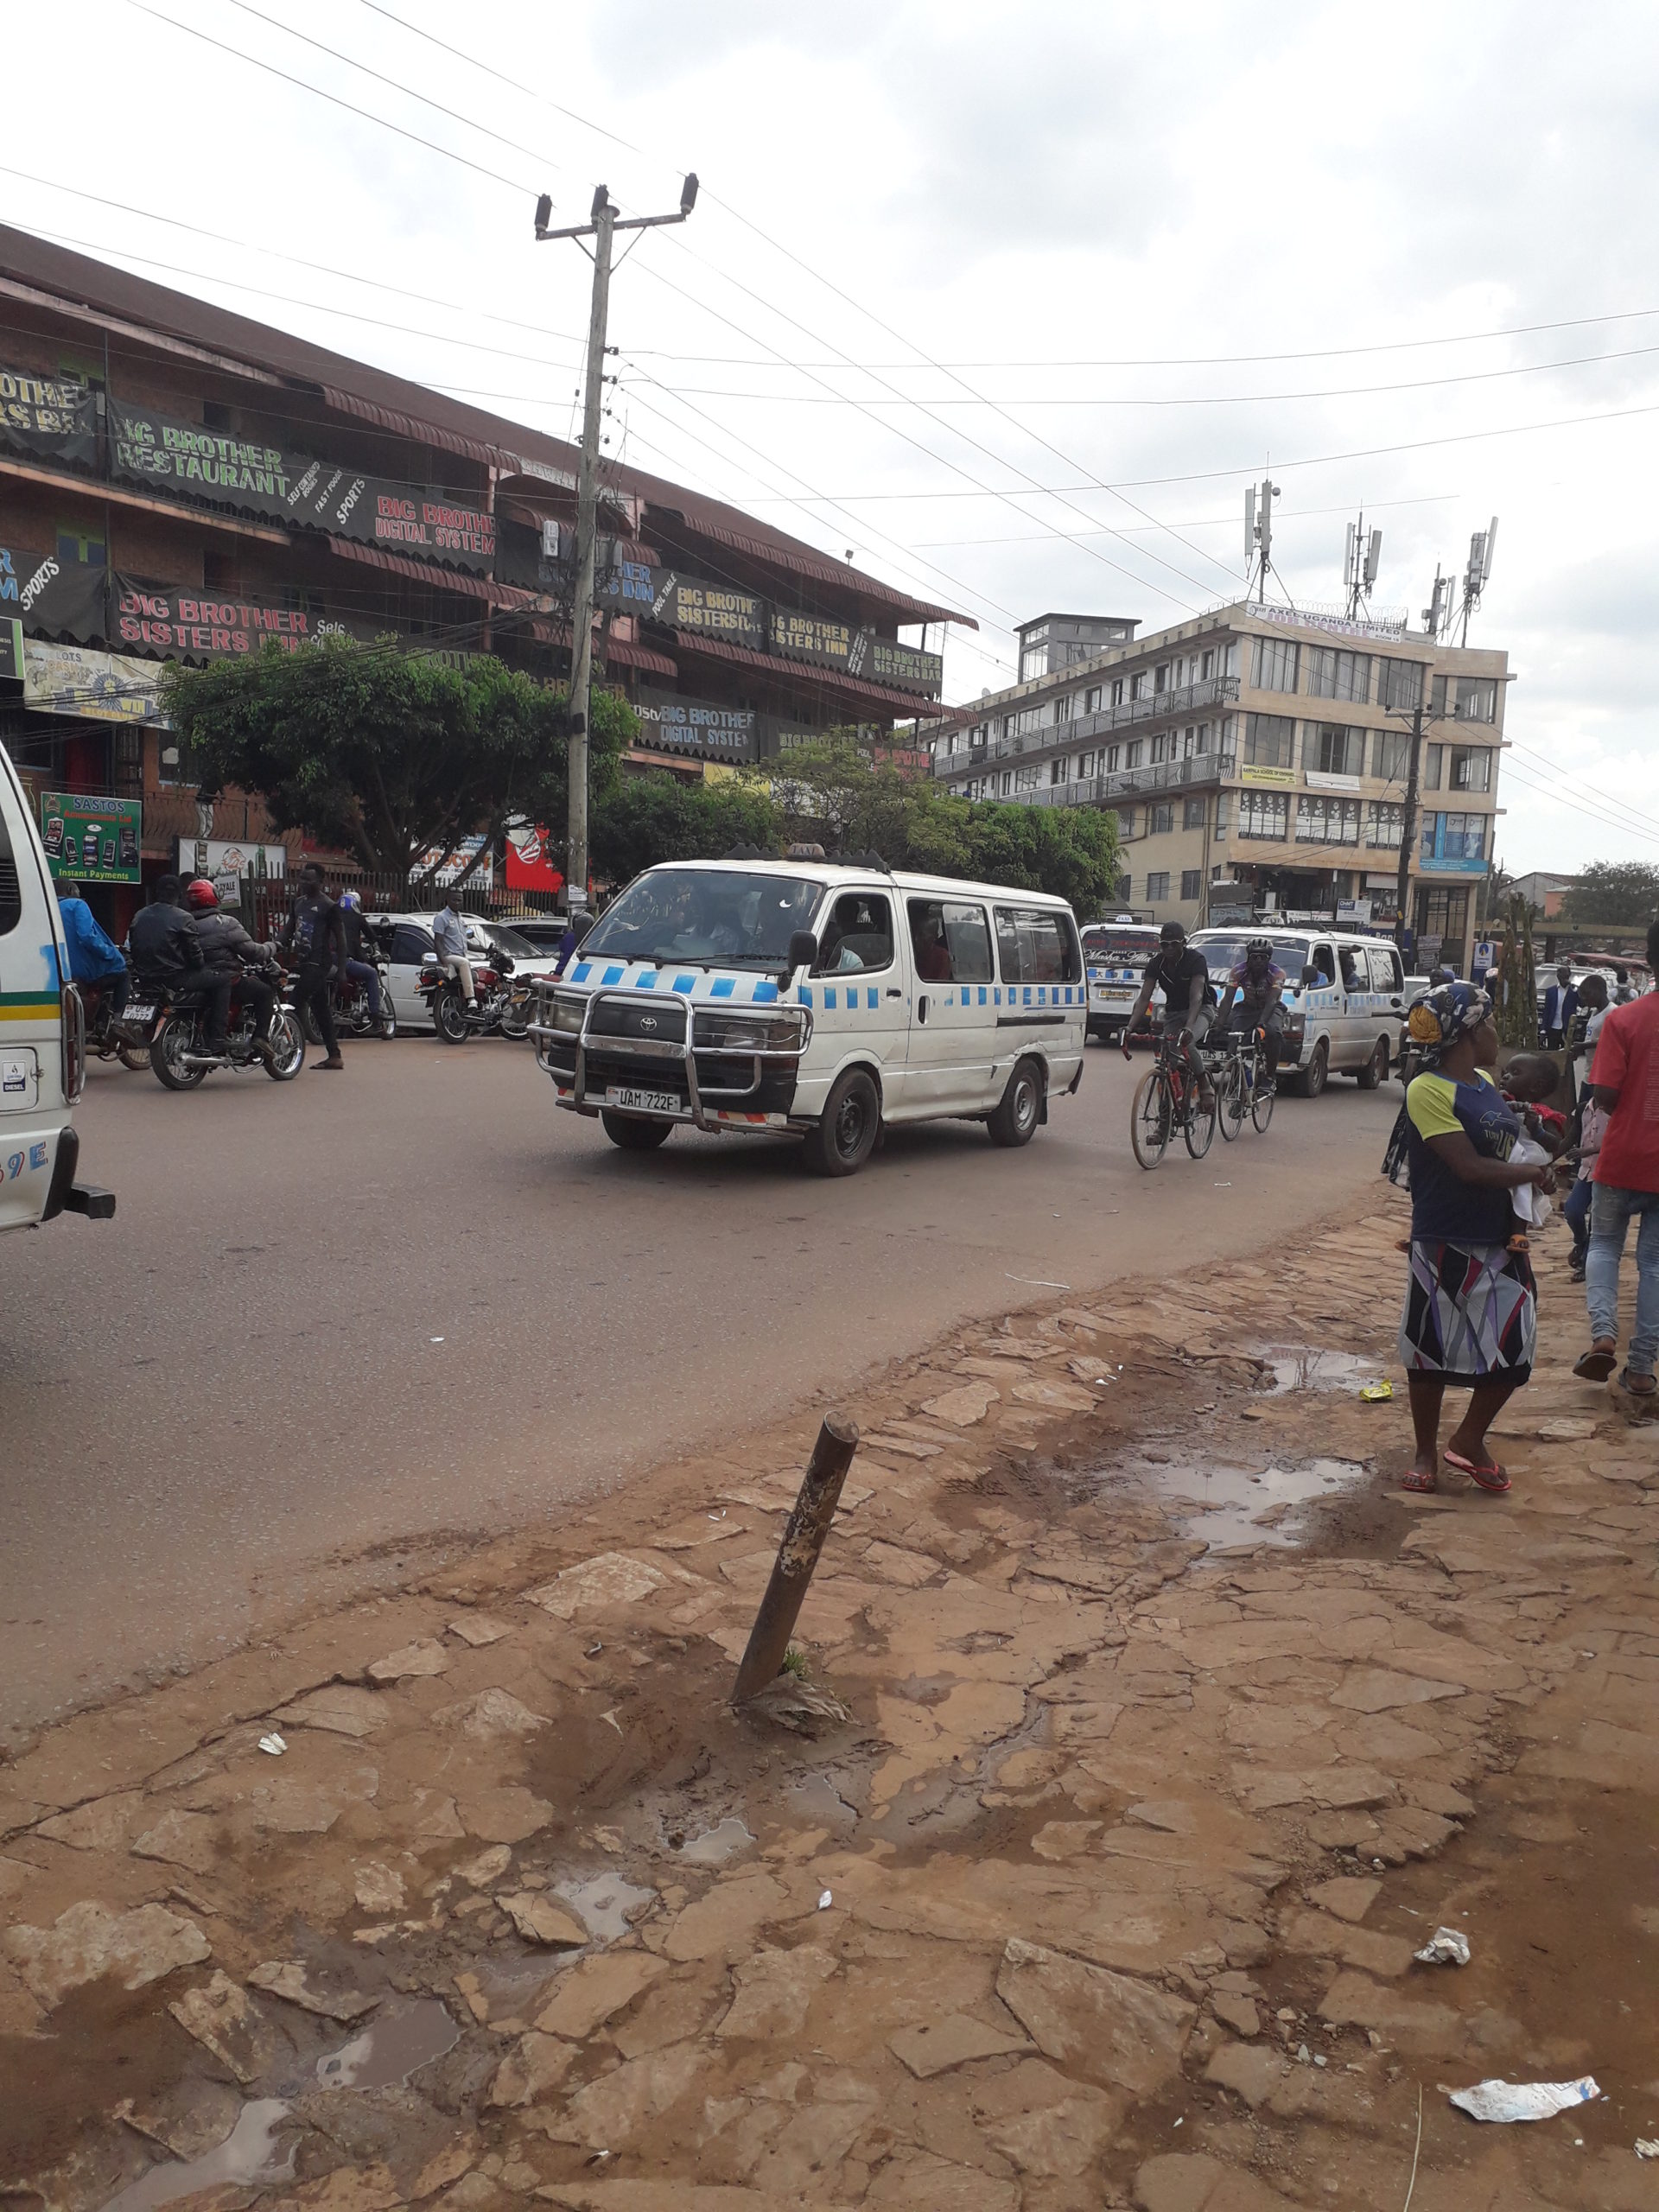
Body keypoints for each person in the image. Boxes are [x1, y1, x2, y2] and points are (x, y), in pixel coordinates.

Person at [1389, 982, 1554, 1494]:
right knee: (1429, 1349)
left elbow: (1508, 1150)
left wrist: (1535, 1163)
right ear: (1471, 1031)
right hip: (1444, 1232)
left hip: (1498, 1237)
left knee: (1516, 1345)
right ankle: (1424, 1452)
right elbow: (1466, 1167)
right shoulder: (1427, 1088)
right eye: (1489, 1024)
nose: (1495, 1034)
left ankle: (1467, 1438)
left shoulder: (1483, 1082)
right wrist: (1532, 1175)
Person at [1573, 915, 1659, 1416]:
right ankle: (1643, 1369)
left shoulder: (1623, 1020)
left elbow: (1603, 1095)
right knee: (1655, 1264)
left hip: (1623, 1155)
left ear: (1648, 958)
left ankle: (1603, 1338)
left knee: (1604, 1244)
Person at [1123, 920, 1215, 1110]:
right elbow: (1144, 998)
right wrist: (1129, 1027)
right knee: (1167, 1064)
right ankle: (1164, 1122)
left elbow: (1197, 997)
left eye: (1174, 943)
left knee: (1187, 1043)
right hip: (1173, 1013)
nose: (1170, 948)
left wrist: (1189, 1027)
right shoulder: (1156, 964)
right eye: (1165, 944)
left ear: (1183, 943)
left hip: (1200, 1010)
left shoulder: (1196, 960)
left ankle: (1205, 1086)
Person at [183, 879, 276, 1061]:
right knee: (264, 993)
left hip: (194, 980)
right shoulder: (225, 923)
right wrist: (272, 946)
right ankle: (260, 1038)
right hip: (225, 978)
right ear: (214, 897)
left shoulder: (184, 922)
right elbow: (253, 952)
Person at [129, 874, 218, 1034]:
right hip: (173, 979)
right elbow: (195, 956)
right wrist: (200, 965)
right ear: (180, 894)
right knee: (222, 980)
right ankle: (216, 1036)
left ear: (157, 892)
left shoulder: (139, 915)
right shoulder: (183, 917)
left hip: (144, 978)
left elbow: (133, 948)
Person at [282, 862, 348, 1071]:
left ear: (320, 882)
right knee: (320, 1010)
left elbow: (341, 938)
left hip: (319, 963)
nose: (303, 883)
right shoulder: (299, 903)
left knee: (293, 1003)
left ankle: (287, 1052)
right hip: (304, 962)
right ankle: (334, 1056)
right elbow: (288, 930)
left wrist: (342, 970)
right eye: (301, 878)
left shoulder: (328, 906)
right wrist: (273, 945)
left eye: (308, 879)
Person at [1212, 935, 1287, 1088]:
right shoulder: (1238, 971)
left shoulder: (1277, 973)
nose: (1258, 961)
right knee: (1234, 1042)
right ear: (1248, 958)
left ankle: (1270, 1076)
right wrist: (1219, 1024)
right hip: (1247, 1008)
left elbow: (1272, 1000)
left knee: (1273, 1033)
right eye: (1254, 957)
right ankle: (1238, 1083)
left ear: (1269, 959)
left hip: (1270, 1009)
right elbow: (1227, 999)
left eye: (1263, 957)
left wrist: (1261, 1024)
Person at [56, 882, 129, 1025]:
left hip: (61, 973)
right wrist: (109, 953)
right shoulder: (76, 905)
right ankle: (117, 1021)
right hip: (84, 972)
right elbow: (87, 937)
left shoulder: (48, 908)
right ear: (71, 890)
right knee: (123, 974)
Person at [336, 889, 385, 1023]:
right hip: (343, 960)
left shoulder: (332, 916)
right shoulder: (357, 917)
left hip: (326, 960)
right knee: (371, 973)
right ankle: (375, 1013)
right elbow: (369, 937)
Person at [431, 887, 477, 1007]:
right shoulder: (442, 917)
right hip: (449, 956)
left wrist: (487, 950)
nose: (457, 902)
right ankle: (471, 999)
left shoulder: (460, 919)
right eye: (454, 900)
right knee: (464, 963)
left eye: (460, 900)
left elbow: (466, 943)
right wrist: (443, 960)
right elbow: (438, 941)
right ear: (447, 900)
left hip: (461, 956)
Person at [1541, 961, 1578, 1050]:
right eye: (1562, 975)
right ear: (1558, 976)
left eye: (1566, 976)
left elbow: (1582, 1003)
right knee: (1552, 1056)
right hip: (1553, 1028)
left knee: (1567, 1057)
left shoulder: (1573, 991)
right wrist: (1543, 1030)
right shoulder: (1551, 991)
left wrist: (1576, 989)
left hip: (1567, 1030)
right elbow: (1547, 1012)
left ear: (1569, 975)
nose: (1564, 978)